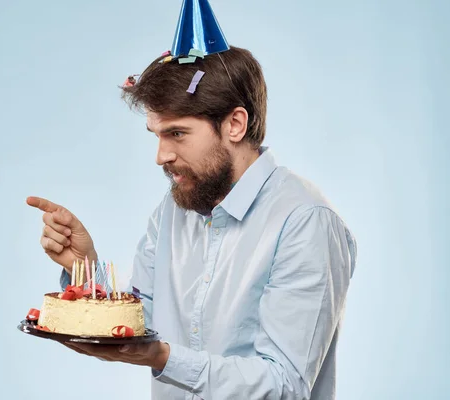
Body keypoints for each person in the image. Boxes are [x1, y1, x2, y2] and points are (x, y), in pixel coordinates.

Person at [26, 2, 357, 399]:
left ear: (235, 124)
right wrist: (86, 270)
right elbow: (139, 324)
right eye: (157, 135)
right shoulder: (175, 207)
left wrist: (164, 358)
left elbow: (284, 385)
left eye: (177, 134)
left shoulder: (306, 221)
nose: (161, 156)